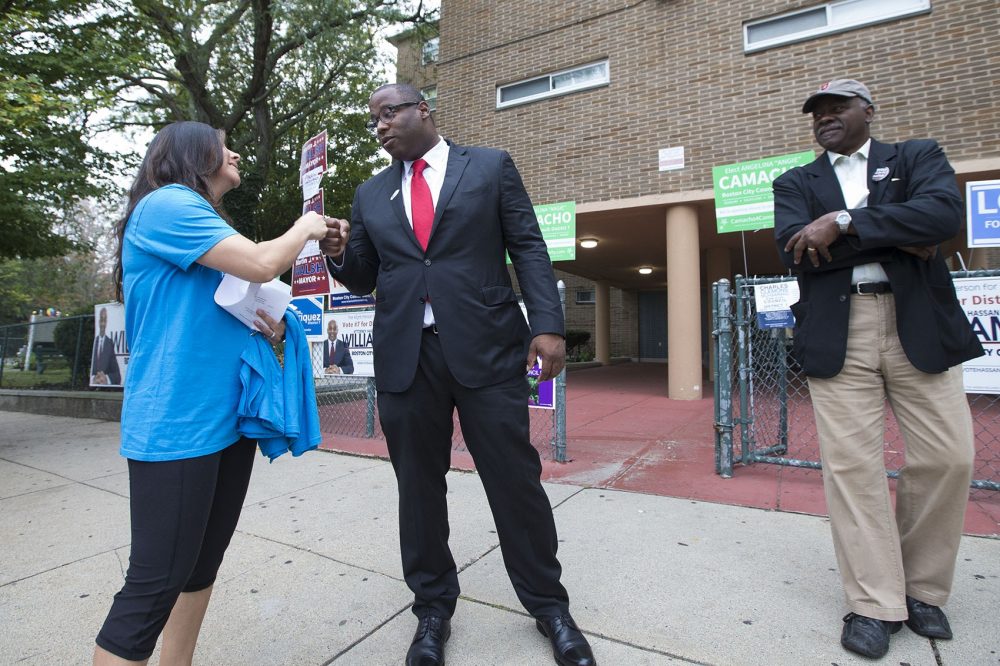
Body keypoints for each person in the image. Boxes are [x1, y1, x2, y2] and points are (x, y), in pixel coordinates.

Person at [320, 83, 596, 666]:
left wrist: (547, 324)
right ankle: (431, 609)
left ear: (423, 109)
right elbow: (365, 275)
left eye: (389, 112)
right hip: (405, 356)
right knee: (418, 488)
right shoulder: (371, 193)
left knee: (514, 480)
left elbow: (528, 247)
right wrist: (340, 252)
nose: (380, 125)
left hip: (488, 350)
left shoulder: (490, 167)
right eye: (373, 120)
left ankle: (549, 606)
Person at [93, 120, 327, 665]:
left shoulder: (200, 217)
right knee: (154, 582)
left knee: (199, 569)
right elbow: (262, 261)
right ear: (192, 155)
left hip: (225, 420)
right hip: (177, 421)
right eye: (224, 146)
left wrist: (268, 320)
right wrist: (306, 226)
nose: (236, 152)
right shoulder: (168, 205)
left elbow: (228, 298)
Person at [773, 79, 983, 660]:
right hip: (841, 330)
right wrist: (901, 234)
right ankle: (874, 602)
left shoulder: (917, 156)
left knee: (949, 456)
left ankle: (923, 590)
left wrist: (841, 222)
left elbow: (941, 217)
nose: (825, 118)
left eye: (837, 107)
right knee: (853, 468)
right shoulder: (794, 182)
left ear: (869, 110)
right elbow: (792, 248)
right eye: (816, 112)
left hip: (917, 322)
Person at [91, 306, 122, 386]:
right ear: (98, 321)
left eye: (104, 320)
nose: (102, 324)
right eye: (101, 320)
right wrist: (93, 379)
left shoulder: (109, 343)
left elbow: (117, 376)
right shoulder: (94, 341)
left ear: (107, 322)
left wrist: (106, 378)